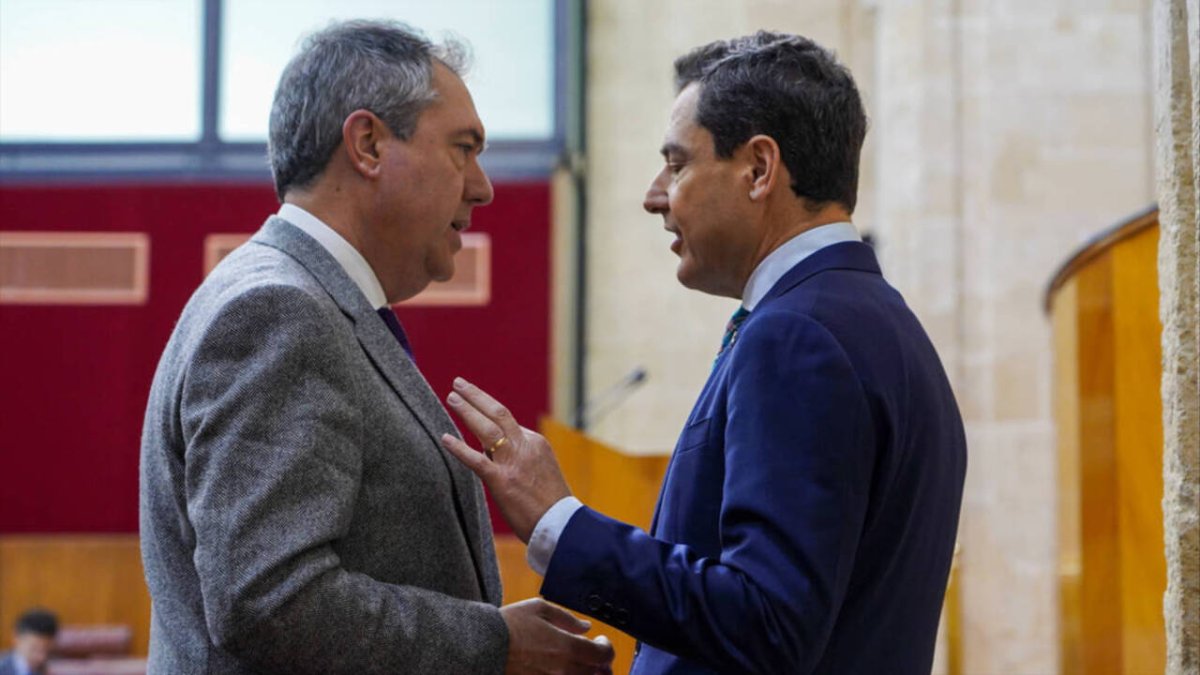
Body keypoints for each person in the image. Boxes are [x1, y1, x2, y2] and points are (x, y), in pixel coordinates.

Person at [441, 31, 968, 674]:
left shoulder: (798, 337)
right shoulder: (875, 322)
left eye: (678, 163)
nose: (654, 194)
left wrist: (561, 522)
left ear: (758, 169)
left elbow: (767, 623)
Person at [139, 20, 613, 675]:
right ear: (367, 144)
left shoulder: (302, 299)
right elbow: (270, 601)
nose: (483, 186)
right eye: (463, 148)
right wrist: (494, 644)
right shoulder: (278, 309)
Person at [0, 609, 57, 675]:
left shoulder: (51, 669)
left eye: (46, 650)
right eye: (34, 649)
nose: (41, 657)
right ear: (17, 638)